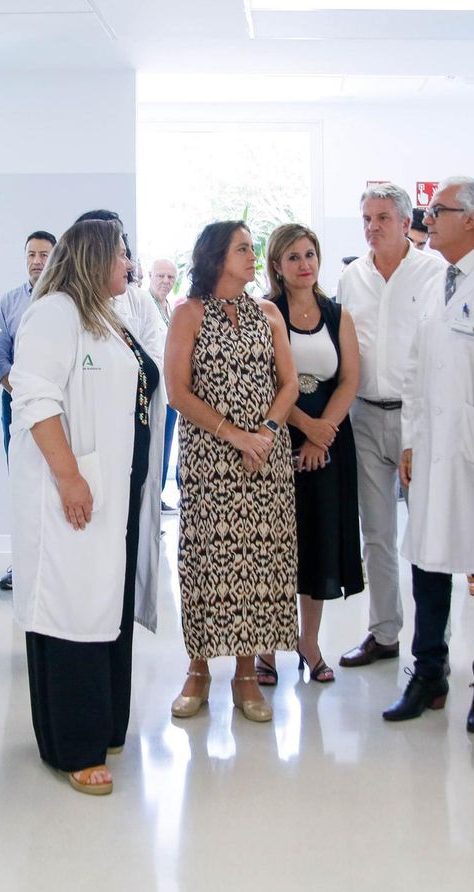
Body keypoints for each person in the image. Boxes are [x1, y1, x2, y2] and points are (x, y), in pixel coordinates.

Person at [10, 218, 164, 796]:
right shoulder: (55, 313)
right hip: (75, 493)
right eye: (122, 254)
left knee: (105, 608)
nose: (130, 264)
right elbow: (35, 398)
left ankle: (102, 724)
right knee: (72, 611)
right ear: (96, 257)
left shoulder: (110, 317)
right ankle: (72, 745)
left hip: (117, 493)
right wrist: (70, 476)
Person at [387, 177, 474, 729]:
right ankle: (429, 673)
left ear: (470, 218)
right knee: (427, 561)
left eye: (436, 210)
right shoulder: (435, 279)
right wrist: (412, 441)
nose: (427, 219)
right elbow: (416, 371)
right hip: (433, 448)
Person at [166, 220, 298, 722]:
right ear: (216, 256)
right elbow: (178, 392)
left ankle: (247, 674)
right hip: (210, 460)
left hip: (266, 459)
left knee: (259, 565)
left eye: (251, 248)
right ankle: (197, 670)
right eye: (242, 248)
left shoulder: (267, 314)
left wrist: (263, 432)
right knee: (207, 561)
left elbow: (287, 384)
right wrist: (235, 434)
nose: (252, 255)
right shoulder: (188, 314)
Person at [335, 183, 449, 669]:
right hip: (364, 413)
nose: (372, 227)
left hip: (418, 417)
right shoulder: (352, 277)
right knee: (376, 533)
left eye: (382, 218)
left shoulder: (436, 273)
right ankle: (384, 633)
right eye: (366, 218)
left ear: (407, 223)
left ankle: (433, 648)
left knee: (427, 532)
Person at [265, 224, 362, 685]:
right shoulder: (267, 313)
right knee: (275, 545)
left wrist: (323, 437)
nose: (305, 265)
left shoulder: (337, 313)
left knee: (318, 540)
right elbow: (263, 384)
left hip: (328, 441)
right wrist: (304, 430)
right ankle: (266, 647)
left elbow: (349, 380)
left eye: (310, 255)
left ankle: (309, 641)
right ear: (278, 268)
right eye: (293, 258)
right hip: (278, 439)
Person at [0, 229, 57, 592]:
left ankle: (54, 563)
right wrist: (20, 392)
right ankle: (23, 564)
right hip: (15, 402)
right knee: (23, 481)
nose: (36, 261)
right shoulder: (10, 301)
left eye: (44, 254)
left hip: (58, 407)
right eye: (31, 254)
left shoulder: (67, 299)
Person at [74, 210, 166, 365]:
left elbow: (153, 361)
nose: (129, 265)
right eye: (120, 253)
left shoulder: (139, 300)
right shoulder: (64, 307)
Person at [148, 258, 182, 506]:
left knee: (166, 444)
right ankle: (149, 498)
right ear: (150, 275)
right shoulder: (144, 306)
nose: (165, 282)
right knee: (153, 447)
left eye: (170, 277)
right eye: (160, 276)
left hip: (171, 391)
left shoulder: (170, 307)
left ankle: (158, 496)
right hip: (152, 392)